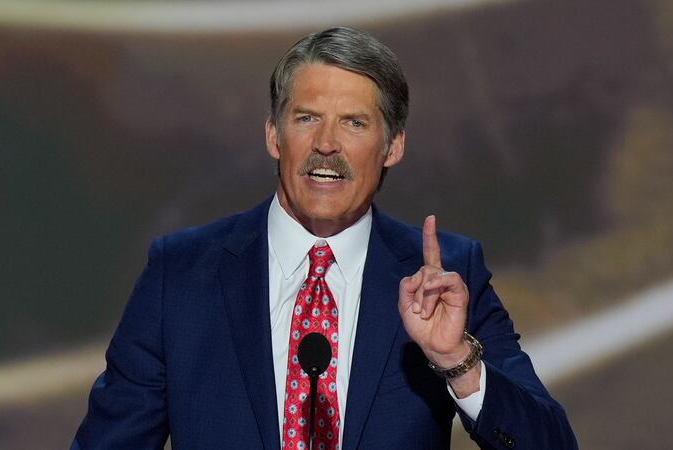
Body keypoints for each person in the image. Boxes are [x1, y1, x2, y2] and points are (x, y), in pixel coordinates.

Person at [72, 27, 577, 449]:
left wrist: (456, 363)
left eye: (354, 123)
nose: (327, 145)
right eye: (307, 118)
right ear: (274, 134)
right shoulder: (180, 274)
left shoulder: (447, 275)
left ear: (393, 146)